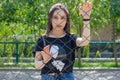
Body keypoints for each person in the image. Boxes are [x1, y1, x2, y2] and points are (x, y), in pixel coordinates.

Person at [34, 2, 92, 80]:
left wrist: (86, 19)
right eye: (55, 17)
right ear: (50, 19)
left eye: (62, 18)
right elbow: (37, 65)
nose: (59, 21)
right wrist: (45, 60)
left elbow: (85, 40)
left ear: (66, 20)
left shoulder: (71, 38)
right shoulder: (42, 40)